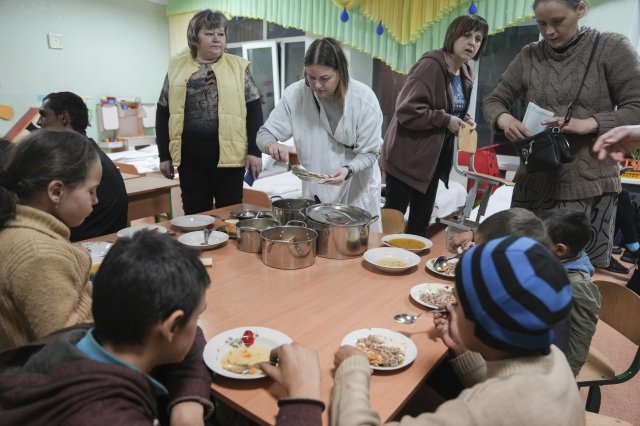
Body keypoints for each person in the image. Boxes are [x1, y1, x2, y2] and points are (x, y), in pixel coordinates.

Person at [264, 237, 583, 425]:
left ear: (484, 325)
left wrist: (352, 368)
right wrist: (466, 351)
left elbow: (489, 410)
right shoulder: (552, 357)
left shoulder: (478, 412)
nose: (448, 308)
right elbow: (505, 393)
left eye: (456, 301)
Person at [482, 0, 640, 270]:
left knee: (573, 277)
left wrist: (589, 123)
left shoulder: (611, 48)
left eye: (557, 22)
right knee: (520, 267)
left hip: (589, 187)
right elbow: (493, 101)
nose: (549, 31)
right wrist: (504, 119)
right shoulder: (530, 55)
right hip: (534, 182)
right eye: (542, 23)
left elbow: (636, 107)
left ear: (580, 9)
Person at [0, 230, 214, 425]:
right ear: (172, 325)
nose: (195, 327)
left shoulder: (79, 337)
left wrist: (188, 405)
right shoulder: (110, 417)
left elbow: (189, 339)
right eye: (196, 316)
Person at [256, 38, 383, 230]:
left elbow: (371, 152)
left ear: (341, 72)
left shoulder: (363, 99)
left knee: (353, 248)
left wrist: (348, 169)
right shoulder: (296, 95)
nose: (316, 85)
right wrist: (271, 145)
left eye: (324, 78)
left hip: (356, 190)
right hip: (316, 192)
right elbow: (264, 133)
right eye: (310, 77)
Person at [381, 15, 488, 237]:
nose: (472, 43)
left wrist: (464, 118)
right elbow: (406, 110)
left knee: (419, 225)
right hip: (405, 157)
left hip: (431, 161)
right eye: (466, 35)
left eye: (478, 39)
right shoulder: (430, 66)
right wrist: (446, 120)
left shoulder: (466, 73)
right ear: (452, 36)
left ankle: (410, 269)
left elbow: (450, 106)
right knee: (394, 227)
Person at [156, 9, 264, 214]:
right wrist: (164, 155)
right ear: (194, 37)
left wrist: (254, 151)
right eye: (209, 33)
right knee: (195, 216)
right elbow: (163, 112)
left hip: (230, 159)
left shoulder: (239, 68)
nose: (217, 39)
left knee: (230, 216)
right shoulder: (175, 68)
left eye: (221, 34)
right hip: (190, 160)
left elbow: (255, 111)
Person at [0, 129, 99, 350]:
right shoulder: (39, 254)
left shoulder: (27, 231)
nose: (96, 200)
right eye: (91, 191)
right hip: (38, 377)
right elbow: (68, 346)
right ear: (56, 191)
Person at [38, 91, 128, 241]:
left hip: (90, 241)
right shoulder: (83, 148)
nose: (39, 122)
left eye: (44, 115)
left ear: (64, 117)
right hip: (100, 235)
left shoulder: (75, 156)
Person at [539, 209, 601, 375]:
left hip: (555, 351)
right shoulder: (553, 257)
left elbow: (583, 331)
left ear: (560, 249)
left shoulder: (577, 285)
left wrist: (569, 373)